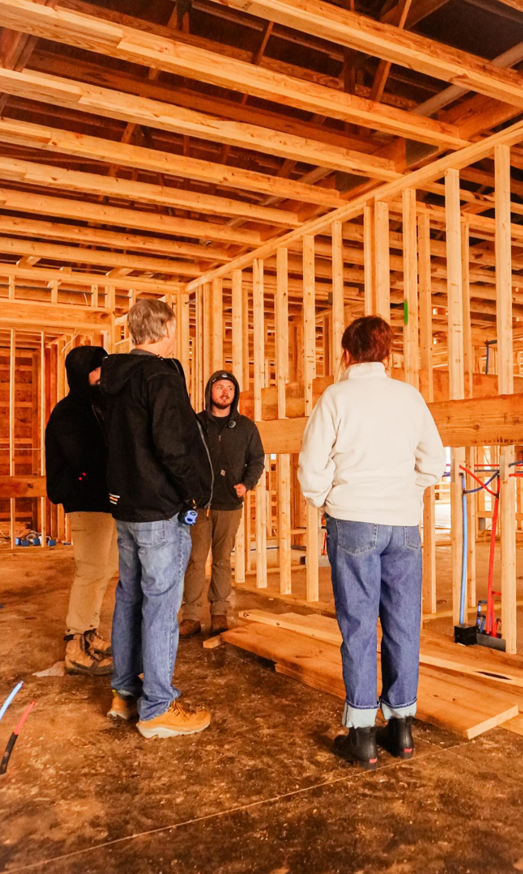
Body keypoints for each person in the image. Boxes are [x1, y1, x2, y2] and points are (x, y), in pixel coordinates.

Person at [298, 316, 445, 770]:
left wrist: (326, 500)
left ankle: (361, 734)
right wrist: (407, 491)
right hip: (404, 524)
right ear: (387, 353)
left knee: (358, 624)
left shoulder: (335, 398)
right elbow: (434, 461)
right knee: (403, 622)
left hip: (353, 521)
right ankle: (401, 728)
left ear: (346, 353)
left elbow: (312, 465)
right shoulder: (409, 397)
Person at [101, 298, 214, 739]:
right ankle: (158, 709)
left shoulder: (114, 378)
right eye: (175, 328)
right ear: (164, 329)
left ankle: (124, 695)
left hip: (126, 506)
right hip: (159, 510)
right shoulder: (159, 377)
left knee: (130, 599)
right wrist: (195, 491)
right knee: (162, 606)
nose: (177, 335)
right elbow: (172, 446)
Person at [46, 345, 117, 677]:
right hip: (85, 502)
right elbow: (85, 457)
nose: (102, 374)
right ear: (80, 372)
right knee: (90, 571)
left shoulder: (97, 407)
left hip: (103, 501)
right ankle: (75, 646)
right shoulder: (69, 411)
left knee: (103, 571)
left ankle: (90, 633)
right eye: (96, 368)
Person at [180, 371, 265, 637]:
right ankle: (191, 616)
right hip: (198, 507)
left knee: (221, 561)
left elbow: (257, 460)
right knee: (195, 560)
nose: (225, 392)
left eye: (230, 388)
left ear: (235, 394)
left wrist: (247, 484)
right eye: (220, 387)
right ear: (210, 392)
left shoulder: (246, 427)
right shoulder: (195, 424)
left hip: (229, 506)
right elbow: (181, 457)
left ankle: (219, 612)